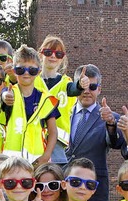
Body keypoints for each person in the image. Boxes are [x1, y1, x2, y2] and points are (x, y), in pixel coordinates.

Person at [65, 64, 124, 201]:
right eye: (83, 85)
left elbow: (115, 143)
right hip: (63, 189)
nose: (86, 91)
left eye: (92, 86)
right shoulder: (62, 114)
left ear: (99, 89)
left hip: (93, 193)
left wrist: (110, 123)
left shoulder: (110, 117)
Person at [0, 45, 59, 166]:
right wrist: (6, 97)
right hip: (11, 162)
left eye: (32, 70)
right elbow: (4, 96)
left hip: (37, 161)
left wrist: (46, 156)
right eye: (21, 70)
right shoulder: (9, 92)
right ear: (14, 71)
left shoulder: (45, 99)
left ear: (38, 72)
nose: (26, 74)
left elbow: (53, 132)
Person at [35, 35, 89, 164]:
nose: (53, 56)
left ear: (62, 58)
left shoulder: (65, 83)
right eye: (48, 52)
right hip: (33, 139)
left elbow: (73, 89)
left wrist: (81, 85)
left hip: (58, 144)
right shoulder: (32, 80)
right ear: (41, 54)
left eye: (58, 54)